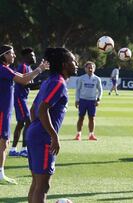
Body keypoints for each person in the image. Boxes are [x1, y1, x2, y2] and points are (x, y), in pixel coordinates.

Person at [27, 47, 77, 203]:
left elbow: (33, 110)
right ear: (64, 64)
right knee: (43, 186)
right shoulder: (58, 83)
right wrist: (53, 136)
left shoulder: (50, 81)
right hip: (43, 137)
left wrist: (35, 129)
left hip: (35, 134)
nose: (75, 63)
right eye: (72, 60)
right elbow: (42, 110)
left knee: (37, 183)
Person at [0, 44, 48, 184]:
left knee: (4, 142)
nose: (14, 55)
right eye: (11, 53)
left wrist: (39, 70)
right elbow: (24, 80)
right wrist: (40, 69)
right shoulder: (3, 69)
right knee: (3, 142)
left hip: (5, 111)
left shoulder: (6, 69)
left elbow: (24, 76)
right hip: (2, 111)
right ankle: (1, 174)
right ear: (3, 55)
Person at [9, 48, 37, 157]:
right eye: (32, 55)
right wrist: (44, 83)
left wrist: (41, 84)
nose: (34, 57)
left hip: (22, 98)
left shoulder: (29, 68)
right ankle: (24, 149)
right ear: (26, 57)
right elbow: (26, 83)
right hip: (19, 98)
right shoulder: (23, 67)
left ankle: (13, 149)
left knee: (20, 124)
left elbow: (31, 86)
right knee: (29, 122)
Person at [74, 61, 103, 141]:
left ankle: (91, 135)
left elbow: (100, 90)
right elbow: (78, 90)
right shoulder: (81, 78)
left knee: (92, 118)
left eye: (92, 67)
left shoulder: (97, 79)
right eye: (88, 67)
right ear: (85, 69)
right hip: (83, 100)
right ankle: (78, 134)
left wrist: (98, 99)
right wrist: (77, 100)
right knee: (81, 117)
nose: (90, 69)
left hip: (92, 101)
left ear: (94, 69)